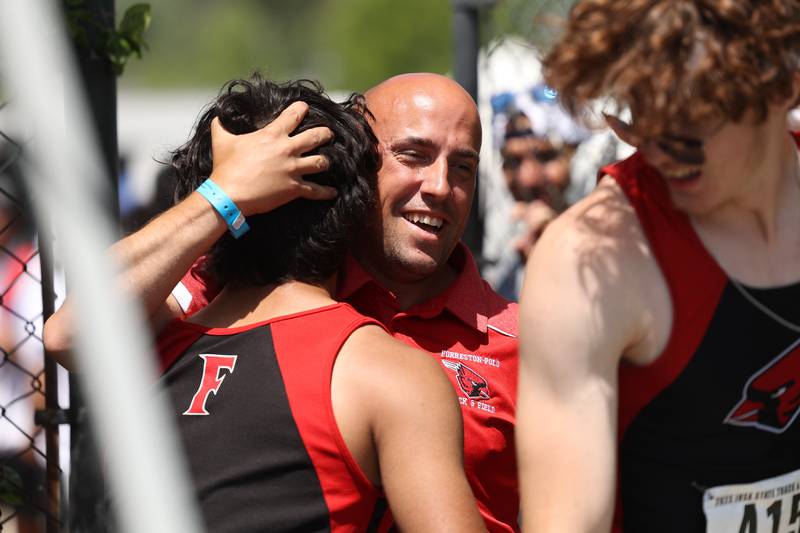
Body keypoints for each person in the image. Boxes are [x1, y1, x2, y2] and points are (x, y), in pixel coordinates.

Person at [45, 72, 520, 532]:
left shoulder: (524, 345)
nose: (441, 186)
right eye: (413, 155)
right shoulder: (233, 294)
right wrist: (222, 194)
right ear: (356, 162)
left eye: (463, 166)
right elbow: (70, 333)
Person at [516, 1, 800, 532]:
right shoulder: (594, 255)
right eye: (639, 111)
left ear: (784, 85)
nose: (658, 146)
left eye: (689, 114)